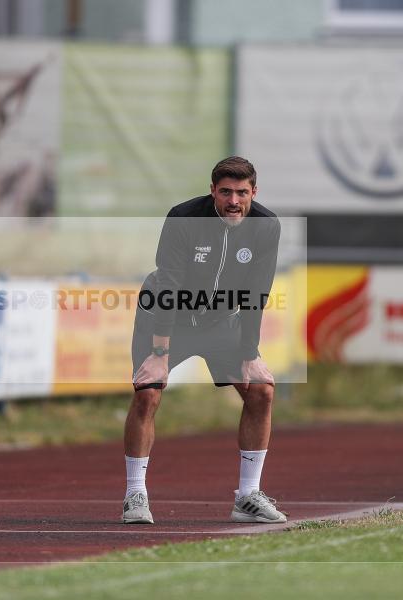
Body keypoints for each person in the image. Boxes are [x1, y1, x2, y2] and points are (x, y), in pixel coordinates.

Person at [123, 156, 285, 525]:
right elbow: (168, 284)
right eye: (225, 192)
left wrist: (249, 353)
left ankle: (248, 496)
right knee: (148, 393)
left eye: (242, 193)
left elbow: (257, 292)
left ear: (254, 192)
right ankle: (135, 493)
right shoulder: (183, 218)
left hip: (220, 321)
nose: (233, 201)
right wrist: (160, 352)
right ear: (212, 190)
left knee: (262, 391)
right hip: (168, 317)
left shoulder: (266, 225)